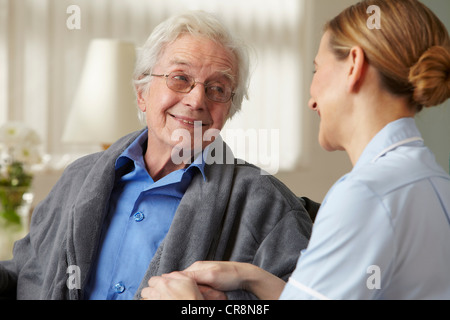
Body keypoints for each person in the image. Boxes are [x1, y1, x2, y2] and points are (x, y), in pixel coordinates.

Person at [141, 0, 450, 300]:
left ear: (353, 65)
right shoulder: (434, 182)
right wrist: (251, 277)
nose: (311, 99)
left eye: (317, 70)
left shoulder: (365, 195)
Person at [0, 11, 314, 300]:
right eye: (180, 78)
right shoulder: (78, 178)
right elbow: (25, 274)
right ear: (142, 93)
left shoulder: (268, 205)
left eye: (217, 89)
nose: (196, 100)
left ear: (229, 109)